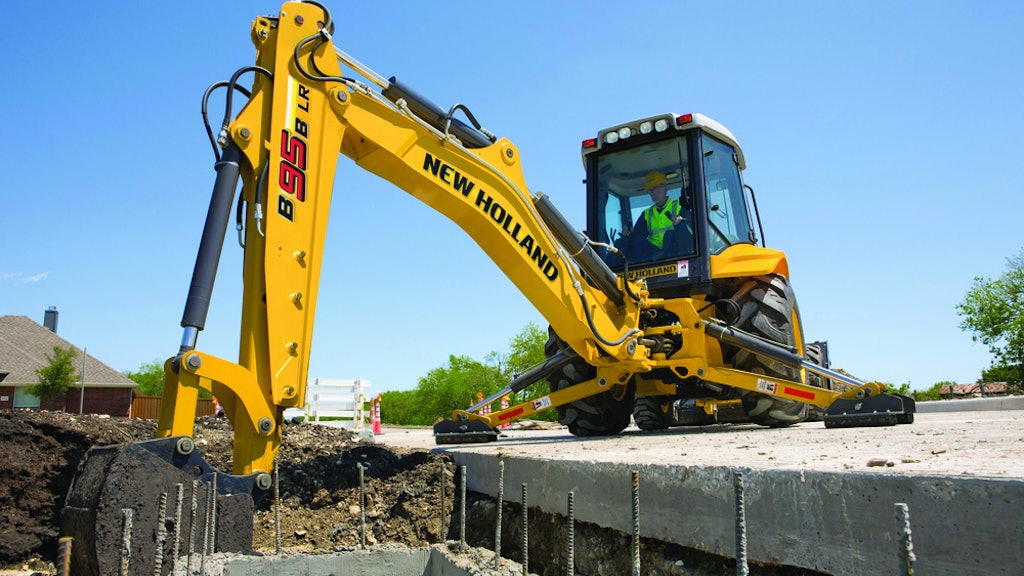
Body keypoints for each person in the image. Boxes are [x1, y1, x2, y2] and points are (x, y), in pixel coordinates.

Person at [624, 171, 693, 261]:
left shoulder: (680, 207)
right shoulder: (647, 214)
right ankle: (642, 272)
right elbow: (638, 236)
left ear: (665, 188)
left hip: (675, 252)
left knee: (669, 235)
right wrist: (629, 233)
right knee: (637, 241)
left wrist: (679, 224)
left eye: (655, 188)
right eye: (650, 189)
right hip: (654, 252)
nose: (652, 192)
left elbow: (690, 233)